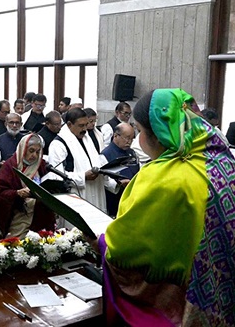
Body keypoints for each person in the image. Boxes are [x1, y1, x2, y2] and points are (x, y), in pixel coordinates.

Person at [98, 89, 235, 326]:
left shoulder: (163, 178)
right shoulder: (223, 160)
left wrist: (101, 242)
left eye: (139, 131)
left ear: (160, 134)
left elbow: (125, 250)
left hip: (191, 304)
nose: (138, 139)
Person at [47, 108, 110, 214]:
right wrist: (83, 176)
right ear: (69, 125)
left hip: (96, 193)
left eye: (86, 124)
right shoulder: (58, 144)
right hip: (76, 196)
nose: (85, 129)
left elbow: (98, 161)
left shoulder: (87, 138)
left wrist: (114, 179)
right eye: (81, 125)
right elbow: (57, 177)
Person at [0, 134, 55, 237]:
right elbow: (0, 193)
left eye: (38, 152)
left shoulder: (41, 165)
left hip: (39, 215)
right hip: (19, 215)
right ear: (23, 149)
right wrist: (17, 193)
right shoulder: (10, 166)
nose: (34, 155)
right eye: (31, 151)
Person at [100, 123, 137, 217]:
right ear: (115, 135)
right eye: (127, 138)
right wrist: (119, 184)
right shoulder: (105, 155)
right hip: (115, 200)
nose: (129, 142)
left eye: (132, 139)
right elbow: (104, 180)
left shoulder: (132, 153)